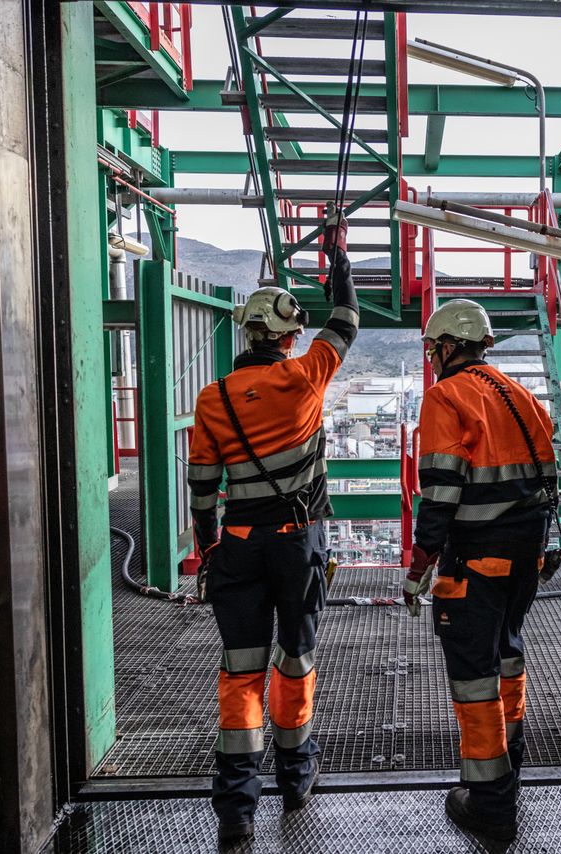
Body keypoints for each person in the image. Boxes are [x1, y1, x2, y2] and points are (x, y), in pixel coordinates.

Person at [186, 216, 356, 848]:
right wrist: (337, 261)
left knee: (241, 671)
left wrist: (210, 549)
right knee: (296, 660)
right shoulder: (304, 376)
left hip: (237, 546)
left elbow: (203, 487)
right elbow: (347, 320)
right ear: (288, 337)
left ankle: (235, 809)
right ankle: (295, 774)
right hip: (297, 542)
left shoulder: (214, 398)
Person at [403, 298, 556, 843]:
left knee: (473, 678)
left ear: (446, 347)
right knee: (508, 654)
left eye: (433, 349)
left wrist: (419, 566)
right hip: (524, 561)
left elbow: (440, 492)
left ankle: (490, 804)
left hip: (475, 566)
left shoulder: (446, 396)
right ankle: (508, 768)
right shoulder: (522, 397)